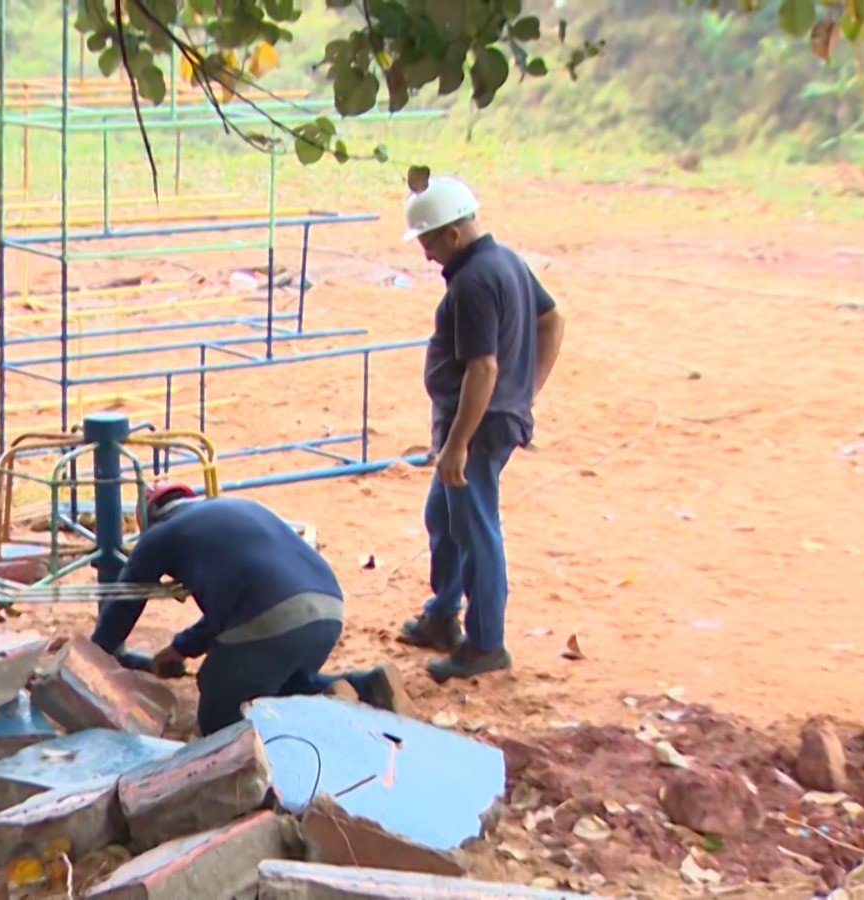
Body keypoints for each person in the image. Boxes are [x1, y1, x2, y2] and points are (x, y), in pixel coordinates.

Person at [396, 176, 566, 684]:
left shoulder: (472, 282)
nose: (426, 255)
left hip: (477, 428)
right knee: (442, 515)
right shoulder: (506, 260)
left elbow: (483, 368)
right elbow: (552, 319)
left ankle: (486, 643)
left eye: (427, 242)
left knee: (476, 530)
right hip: (490, 418)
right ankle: (443, 613)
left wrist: (458, 444)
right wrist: (526, 390)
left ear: (452, 233)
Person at [89, 481, 401, 735]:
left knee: (218, 712)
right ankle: (358, 686)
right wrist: (181, 648)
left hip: (271, 616)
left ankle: (260, 731)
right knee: (277, 684)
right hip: (327, 609)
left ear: (150, 518)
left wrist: (91, 659)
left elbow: (124, 602)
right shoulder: (236, 508)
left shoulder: (160, 536)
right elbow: (233, 609)